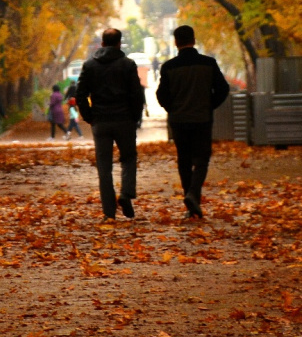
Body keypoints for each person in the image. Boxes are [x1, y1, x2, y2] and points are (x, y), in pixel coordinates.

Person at [156, 24, 230, 219]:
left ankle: (190, 203)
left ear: (175, 42)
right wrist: (209, 105)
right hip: (202, 118)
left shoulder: (169, 67)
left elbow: (161, 95)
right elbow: (223, 89)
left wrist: (172, 109)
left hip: (179, 120)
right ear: (194, 40)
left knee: (184, 160)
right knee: (202, 159)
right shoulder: (208, 63)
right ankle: (193, 194)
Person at [76, 28, 145, 219]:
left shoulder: (89, 65)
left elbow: (80, 94)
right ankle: (126, 194)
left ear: (102, 44)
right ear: (119, 43)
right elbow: (136, 94)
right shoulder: (127, 64)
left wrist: (90, 116)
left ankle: (109, 211)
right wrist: (135, 117)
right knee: (129, 158)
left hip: (101, 121)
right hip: (124, 120)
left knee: (104, 167)